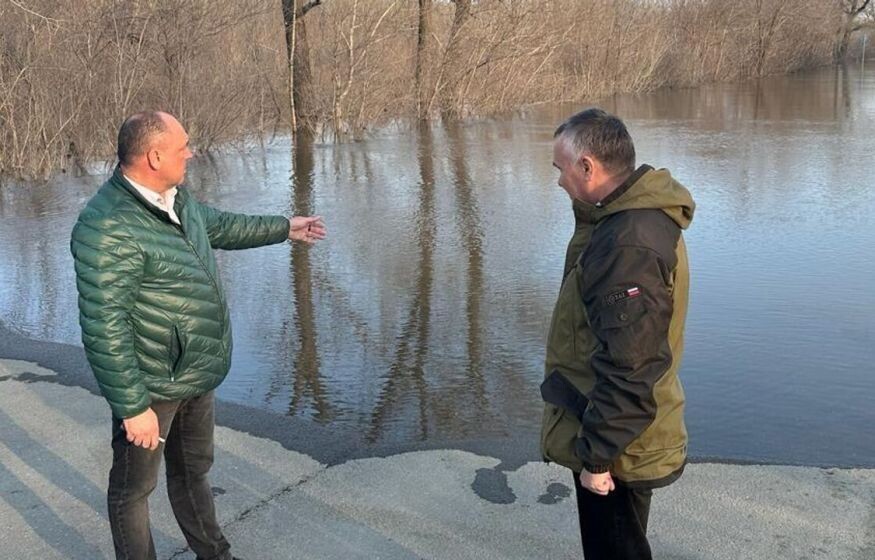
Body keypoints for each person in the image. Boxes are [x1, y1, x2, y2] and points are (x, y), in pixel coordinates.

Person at [70, 111, 326, 560]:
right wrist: (132, 407)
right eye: (182, 146)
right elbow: (102, 325)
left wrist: (286, 227)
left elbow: (221, 226)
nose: (191, 152)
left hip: (195, 369)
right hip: (151, 385)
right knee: (132, 491)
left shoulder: (175, 199)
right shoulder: (106, 226)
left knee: (193, 474)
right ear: (154, 155)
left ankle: (215, 555)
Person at [540, 108, 695, 559]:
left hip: (619, 445)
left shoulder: (628, 245)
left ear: (588, 167)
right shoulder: (626, 220)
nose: (559, 181)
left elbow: (631, 366)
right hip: (619, 431)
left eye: (561, 169)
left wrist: (597, 460)